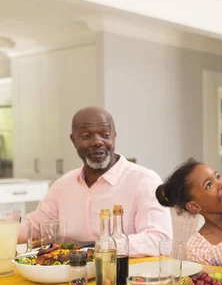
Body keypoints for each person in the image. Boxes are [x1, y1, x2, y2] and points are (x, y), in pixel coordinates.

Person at [18, 106, 172, 257]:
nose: (98, 142)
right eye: (86, 136)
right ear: (73, 140)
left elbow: (159, 240)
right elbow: (35, 227)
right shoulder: (62, 186)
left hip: (124, 276)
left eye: (105, 135)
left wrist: (95, 247)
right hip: (69, 274)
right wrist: (7, 228)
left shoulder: (144, 180)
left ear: (114, 137)